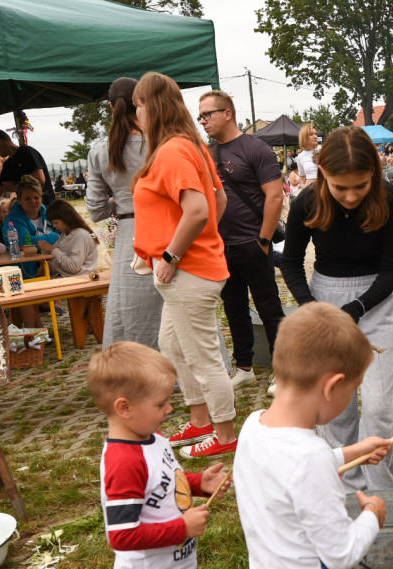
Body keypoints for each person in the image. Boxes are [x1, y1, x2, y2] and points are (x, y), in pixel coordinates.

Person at [233, 302, 393, 569]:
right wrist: (372, 515)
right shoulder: (309, 457)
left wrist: (351, 453)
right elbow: (341, 554)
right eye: (353, 389)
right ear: (331, 386)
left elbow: (290, 468)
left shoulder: (252, 428)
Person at [89, 341, 230, 569]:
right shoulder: (123, 463)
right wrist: (182, 528)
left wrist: (199, 483)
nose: (170, 408)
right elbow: (122, 536)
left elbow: (168, 482)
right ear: (124, 408)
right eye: (161, 403)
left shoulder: (154, 439)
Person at [280, 126, 393, 492]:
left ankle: (384, 490)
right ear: (323, 176)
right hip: (325, 296)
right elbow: (290, 261)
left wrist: (355, 308)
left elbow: (389, 272)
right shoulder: (307, 202)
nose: (351, 196)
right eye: (340, 187)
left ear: (374, 176)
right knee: (335, 406)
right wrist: (311, 307)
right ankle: (350, 488)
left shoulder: (391, 200)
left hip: (376, 301)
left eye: (360, 186)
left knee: (380, 405)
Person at [131, 71, 238, 459]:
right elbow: (218, 203)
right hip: (191, 267)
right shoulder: (190, 145)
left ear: (153, 107)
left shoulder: (174, 151)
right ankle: (200, 419)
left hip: (186, 271)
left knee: (202, 355)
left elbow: (197, 209)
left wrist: (173, 255)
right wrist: (205, 239)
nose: (136, 113)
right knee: (172, 344)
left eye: (139, 105)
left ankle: (224, 434)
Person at [199, 90, 286, 395]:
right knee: (234, 308)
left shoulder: (256, 148)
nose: (203, 121)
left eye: (207, 114)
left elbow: (275, 195)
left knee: (269, 308)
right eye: (200, 116)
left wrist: (263, 239)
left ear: (227, 113)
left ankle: (283, 372)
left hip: (254, 242)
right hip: (221, 247)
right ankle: (244, 367)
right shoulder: (207, 153)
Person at [87, 76, 163, 350]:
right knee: (175, 304)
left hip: (131, 235)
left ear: (110, 107)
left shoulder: (99, 150)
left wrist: (119, 203)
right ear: (141, 103)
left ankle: (138, 373)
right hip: (170, 228)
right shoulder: (162, 142)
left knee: (131, 311)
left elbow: (95, 210)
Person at [2, 175, 60, 277]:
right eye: (27, 198)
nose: (32, 201)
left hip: (55, 269)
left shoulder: (49, 213)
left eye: (36, 197)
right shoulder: (12, 220)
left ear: (41, 197)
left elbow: (66, 233)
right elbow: (25, 243)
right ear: (19, 200)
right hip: (26, 274)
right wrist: (55, 237)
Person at [0, 128, 55, 205]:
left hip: (44, 206)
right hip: (26, 208)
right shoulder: (8, 165)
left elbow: (40, 178)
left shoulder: (27, 152)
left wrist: (16, 186)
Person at [40, 199, 99, 277]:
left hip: (78, 279)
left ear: (66, 219)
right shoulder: (66, 234)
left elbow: (73, 267)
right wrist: (46, 249)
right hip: (64, 276)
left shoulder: (81, 235)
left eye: (56, 222)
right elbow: (57, 256)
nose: (54, 226)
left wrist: (52, 249)